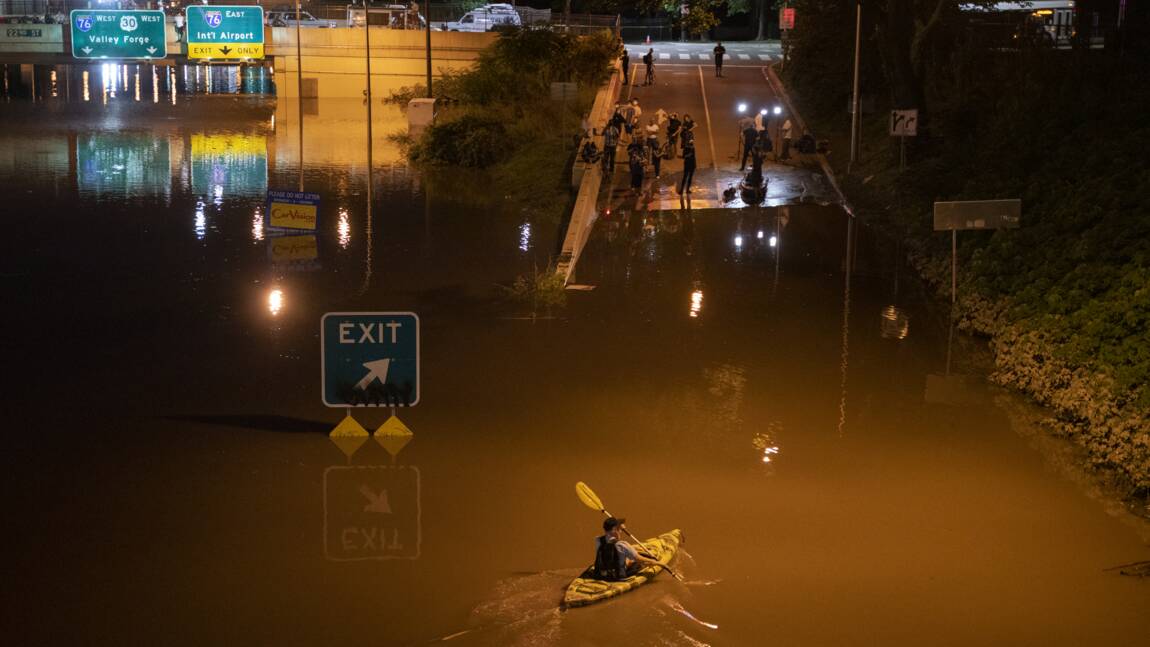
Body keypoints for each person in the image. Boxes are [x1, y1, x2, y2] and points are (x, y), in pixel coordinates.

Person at [594, 517, 661, 581]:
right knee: (639, 563)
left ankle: (626, 562)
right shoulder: (622, 545)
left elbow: (608, 552)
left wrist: (617, 529)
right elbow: (639, 559)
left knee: (625, 558)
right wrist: (654, 561)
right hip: (617, 576)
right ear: (615, 530)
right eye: (620, 529)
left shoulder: (598, 540)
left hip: (601, 574)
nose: (621, 531)